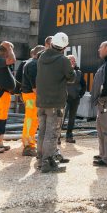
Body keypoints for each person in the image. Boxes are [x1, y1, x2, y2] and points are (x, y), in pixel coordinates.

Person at [36, 32, 75, 173]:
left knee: (42, 131)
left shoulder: (41, 56)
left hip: (41, 101)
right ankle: (48, 163)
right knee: (52, 133)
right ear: (65, 47)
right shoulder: (63, 60)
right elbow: (71, 78)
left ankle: (40, 160)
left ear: (52, 43)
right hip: (55, 102)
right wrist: (72, 69)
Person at [20, 45, 44, 156]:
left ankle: (29, 143)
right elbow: (35, 87)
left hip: (29, 95)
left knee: (31, 119)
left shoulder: (30, 63)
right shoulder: (34, 65)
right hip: (31, 95)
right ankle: (28, 145)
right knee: (31, 119)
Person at [64, 55, 86, 144]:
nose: (73, 62)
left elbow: (84, 85)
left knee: (72, 118)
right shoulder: (63, 71)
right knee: (61, 118)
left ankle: (69, 136)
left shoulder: (79, 73)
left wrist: (80, 94)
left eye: (74, 61)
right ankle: (57, 137)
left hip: (75, 98)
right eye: (70, 61)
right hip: (64, 98)